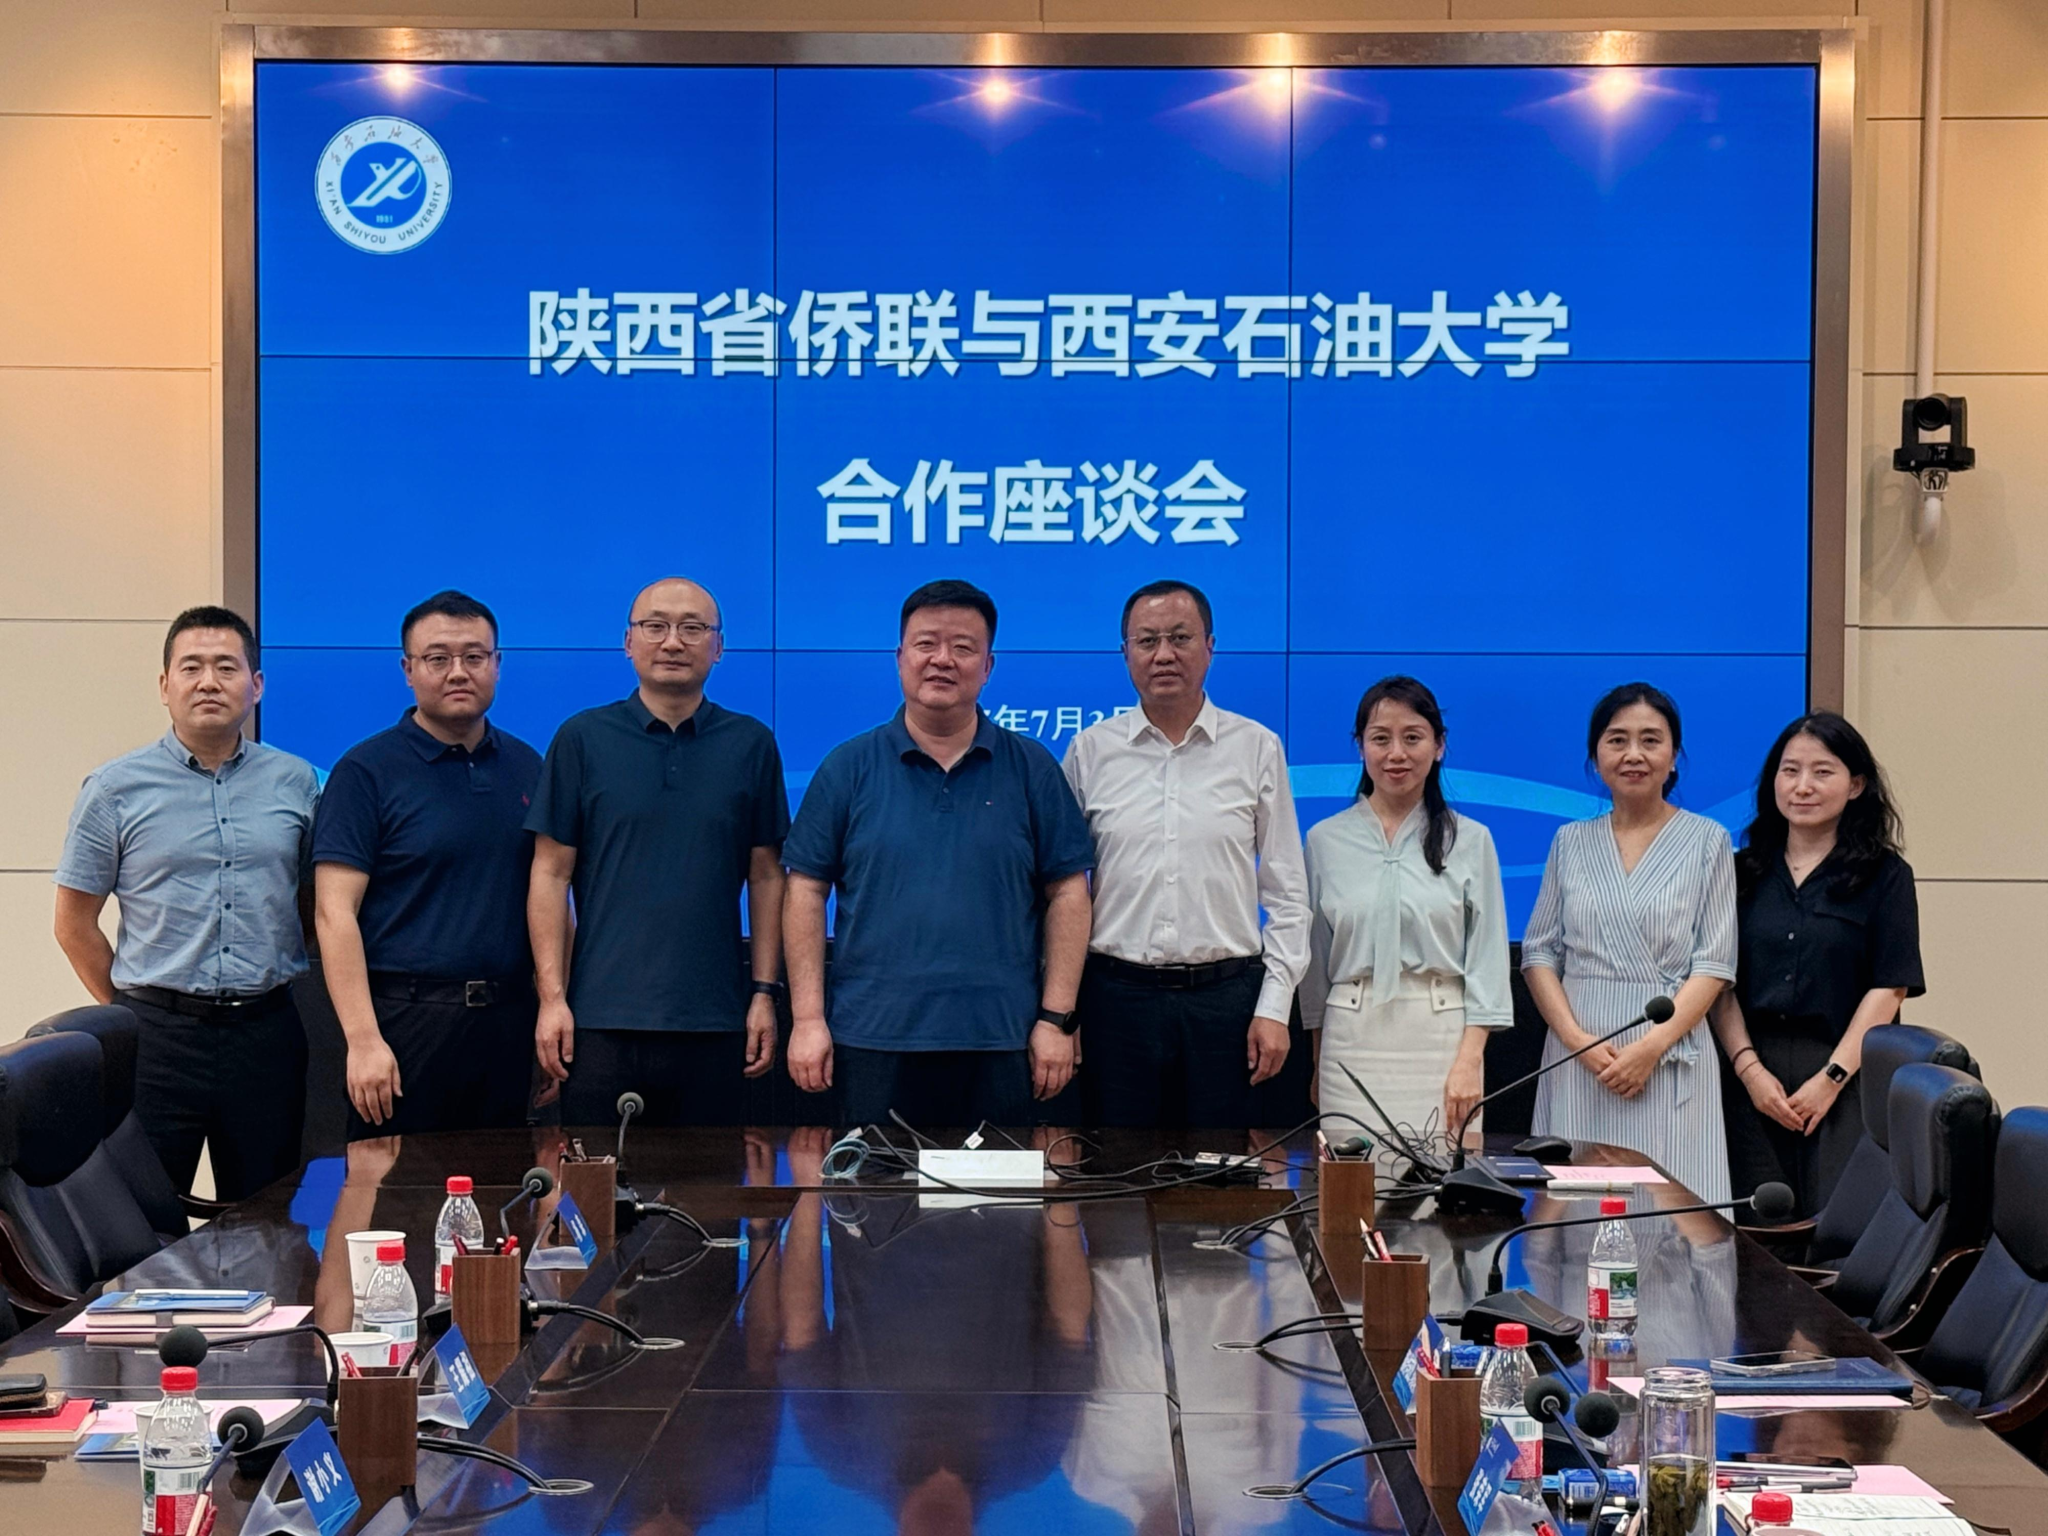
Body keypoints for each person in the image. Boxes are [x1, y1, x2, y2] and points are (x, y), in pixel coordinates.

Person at [783, 579, 1095, 1128]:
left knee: (999, 1187)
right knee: (874, 1184)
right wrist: (808, 1019)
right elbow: (805, 889)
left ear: (988, 665)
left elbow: (1069, 892)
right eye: (926, 644)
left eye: (963, 647)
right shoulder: (848, 766)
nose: (942, 660)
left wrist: (1057, 1018)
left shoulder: (1031, 767)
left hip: (1002, 1039)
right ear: (900, 657)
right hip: (872, 1038)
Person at [52, 607, 320, 1201]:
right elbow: (73, 924)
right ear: (164, 684)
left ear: (256, 685)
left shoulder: (299, 783)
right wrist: (128, 1010)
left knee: (267, 1213)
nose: (208, 682)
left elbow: (312, 904)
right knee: (143, 1211)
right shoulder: (114, 788)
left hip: (266, 1034)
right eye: (191, 667)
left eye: (226, 667)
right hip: (156, 1039)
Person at [525, 577, 789, 1126]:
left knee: (711, 1180)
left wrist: (764, 992)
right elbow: (550, 874)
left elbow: (767, 877)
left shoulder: (751, 744)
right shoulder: (582, 738)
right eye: (655, 626)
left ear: (719, 646)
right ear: (628, 641)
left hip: (715, 1019)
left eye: (693, 628)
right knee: (597, 1180)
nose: (673, 641)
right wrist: (552, 999)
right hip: (599, 1019)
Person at [1060, 579, 1307, 1127]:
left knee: (1224, 1170)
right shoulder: (1089, 752)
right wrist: (1063, 1013)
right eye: (1147, 641)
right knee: (1115, 1167)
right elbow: (1061, 891)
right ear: (1125, 652)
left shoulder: (1256, 747)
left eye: (1180, 637)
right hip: (1115, 1003)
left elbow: (1288, 895)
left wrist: (1274, 1007)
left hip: (1226, 1004)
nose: (1164, 654)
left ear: (1210, 646)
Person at [312, 591, 544, 1140]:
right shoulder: (366, 771)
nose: (458, 672)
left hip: (510, 1024)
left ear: (497, 664)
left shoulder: (529, 766)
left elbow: (552, 898)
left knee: (503, 1184)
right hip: (404, 1025)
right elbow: (333, 913)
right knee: (397, 1187)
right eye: (438, 658)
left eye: (475, 656)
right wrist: (363, 1040)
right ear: (408, 670)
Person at [1521, 683, 1738, 1203]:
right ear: (1596, 755)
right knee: (1576, 1213)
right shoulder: (1570, 842)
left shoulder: (1708, 840)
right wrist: (1577, 1041)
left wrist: (1650, 1048)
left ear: (1674, 755)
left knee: (1672, 1220)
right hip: (1580, 1054)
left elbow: (1714, 963)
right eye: (1617, 740)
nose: (1633, 754)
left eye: (1650, 740)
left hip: (1667, 1054)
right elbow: (1539, 953)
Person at [1712, 712, 1923, 1217]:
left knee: (1836, 1228)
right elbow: (1718, 982)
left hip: (1844, 1074)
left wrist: (1829, 1079)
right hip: (1746, 1074)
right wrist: (1749, 1071)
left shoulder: (1885, 876)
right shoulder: (1739, 872)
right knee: (1751, 1225)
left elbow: (1889, 988)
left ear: (1856, 785)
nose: (1802, 786)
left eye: (1822, 772)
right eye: (1790, 771)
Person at [1299, 676, 1511, 1159]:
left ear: (1439, 746)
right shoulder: (1323, 841)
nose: (1396, 753)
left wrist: (1470, 1060)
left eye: (1412, 737)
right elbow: (1315, 966)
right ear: (1360, 747)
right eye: (1380, 738)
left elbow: (1487, 960)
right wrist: (1317, 1061)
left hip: (1440, 1042)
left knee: (1442, 1192)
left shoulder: (1471, 839)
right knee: (1350, 1189)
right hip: (1350, 1043)